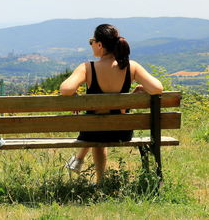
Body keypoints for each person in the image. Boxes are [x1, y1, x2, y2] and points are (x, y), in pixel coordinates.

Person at [59, 24, 163, 183]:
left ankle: (93, 175)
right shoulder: (131, 67)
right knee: (102, 127)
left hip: (92, 132)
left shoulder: (87, 68)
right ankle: (92, 173)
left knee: (96, 129)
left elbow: (65, 89)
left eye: (91, 41)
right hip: (122, 131)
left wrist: (77, 97)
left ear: (100, 45)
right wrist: (133, 96)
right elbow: (157, 88)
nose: (91, 45)